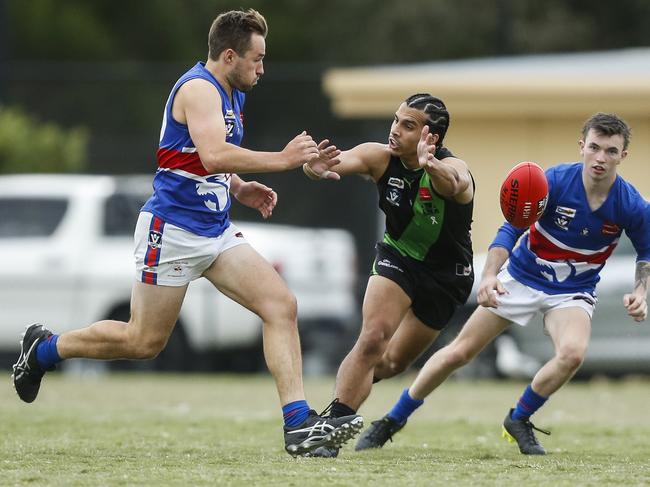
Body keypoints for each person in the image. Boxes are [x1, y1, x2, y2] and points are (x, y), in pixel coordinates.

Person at [11, 8, 363, 458]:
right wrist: (284, 158)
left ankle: (297, 424)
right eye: (256, 59)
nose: (262, 68)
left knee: (281, 305)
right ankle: (44, 350)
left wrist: (240, 187)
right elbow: (214, 154)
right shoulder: (199, 89)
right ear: (230, 55)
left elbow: (198, 157)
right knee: (143, 342)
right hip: (171, 231)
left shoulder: (233, 92)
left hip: (214, 232)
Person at [355, 112, 650, 455]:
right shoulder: (553, 181)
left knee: (572, 354)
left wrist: (641, 291)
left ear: (623, 156)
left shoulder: (631, 204)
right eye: (595, 148)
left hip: (571, 291)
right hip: (521, 278)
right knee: (459, 352)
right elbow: (511, 228)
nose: (601, 158)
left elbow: (645, 251)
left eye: (611, 152)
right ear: (582, 146)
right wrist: (491, 274)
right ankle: (393, 419)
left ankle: (519, 418)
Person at [303, 93, 475, 457]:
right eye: (396, 120)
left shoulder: (452, 166)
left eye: (407, 125)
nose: (395, 130)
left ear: (433, 138)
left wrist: (432, 166)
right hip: (398, 256)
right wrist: (315, 167)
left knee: (392, 362)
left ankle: (355, 386)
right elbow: (344, 161)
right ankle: (328, 431)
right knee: (372, 337)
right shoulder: (381, 157)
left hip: (446, 278)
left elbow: (456, 185)